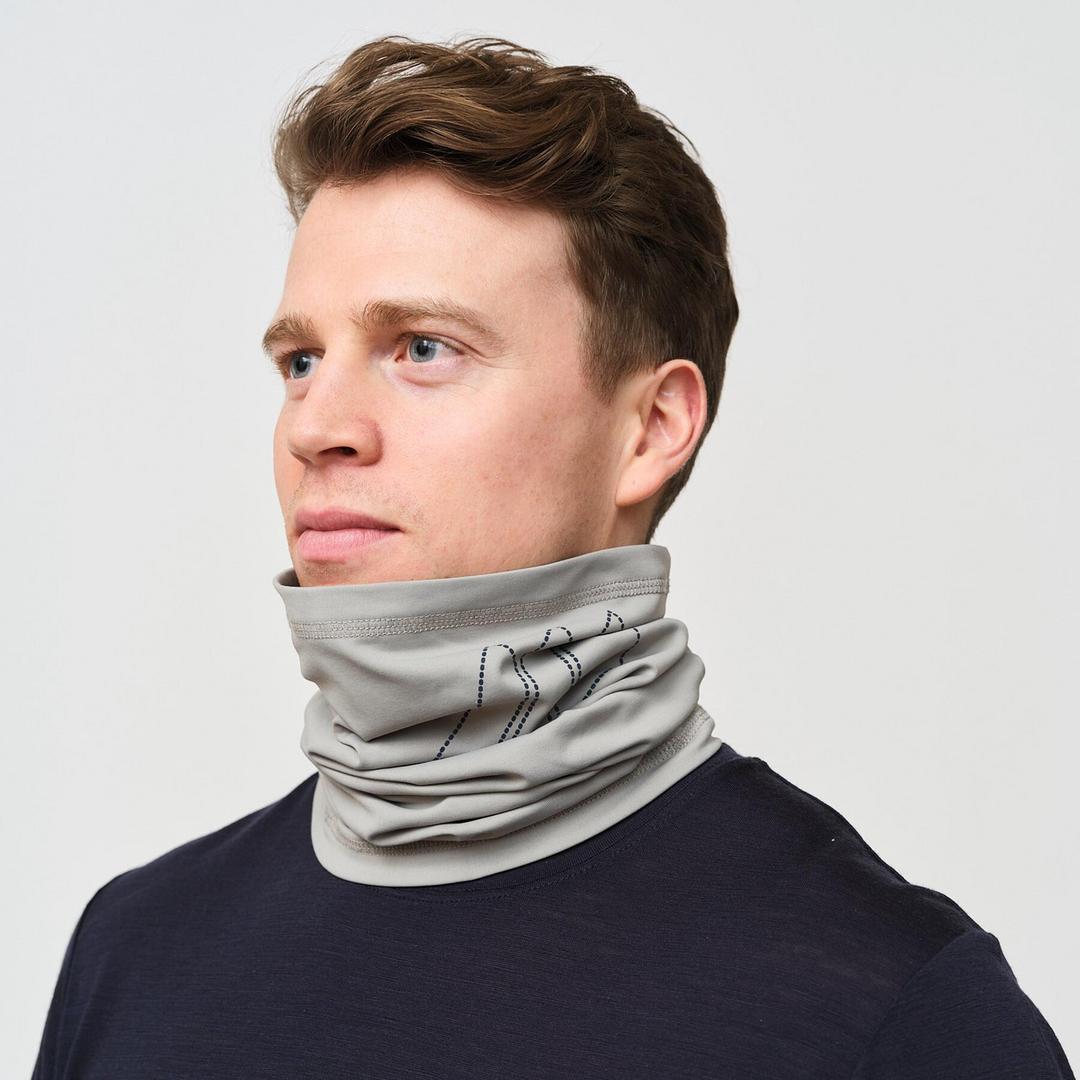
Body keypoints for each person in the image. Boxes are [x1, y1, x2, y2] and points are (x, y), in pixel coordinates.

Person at [32, 34, 1073, 1079]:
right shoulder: (134, 951)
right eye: (301, 361)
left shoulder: (894, 1005)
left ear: (651, 428)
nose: (315, 426)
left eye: (422, 348)